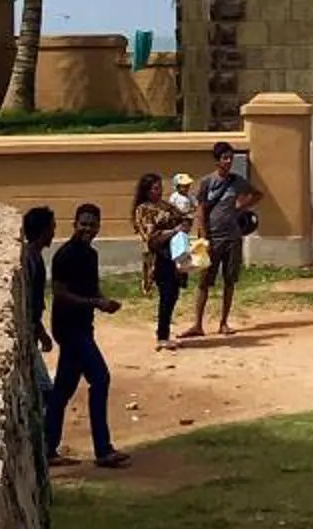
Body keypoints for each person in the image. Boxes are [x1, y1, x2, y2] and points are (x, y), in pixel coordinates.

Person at [46, 202, 132, 469]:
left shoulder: (91, 255)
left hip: (83, 327)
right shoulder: (64, 256)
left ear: (98, 227)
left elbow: (94, 289)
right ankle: (103, 449)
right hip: (69, 329)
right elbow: (60, 293)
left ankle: (47, 448)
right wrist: (94, 303)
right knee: (101, 379)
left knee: (63, 390)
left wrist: (104, 303)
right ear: (74, 224)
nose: (87, 228)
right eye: (83, 223)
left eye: (92, 224)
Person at [184, 140, 262, 338]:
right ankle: (197, 324)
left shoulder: (237, 181)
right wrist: (203, 234)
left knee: (229, 281)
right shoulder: (207, 182)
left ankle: (224, 322)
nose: (228, 161)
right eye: (224, 158)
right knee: (204, 281)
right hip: (212, 238)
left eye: (230, 158)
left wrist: (240, 207)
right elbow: (201, 209)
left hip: (232, 237)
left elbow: (257, 194)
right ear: (217, 161)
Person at [130, 171, 185, 349]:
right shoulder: (143, 210)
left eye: (160, 187)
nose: (159, 191)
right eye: (155, 188)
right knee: (166, 294)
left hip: (174, 254)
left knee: (174, 294)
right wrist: (173, 231)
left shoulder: (166, 206)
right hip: (159, 257)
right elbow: (151, 238)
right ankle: (162, 335)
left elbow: (182, 218)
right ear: (147, 191)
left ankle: (165, 331)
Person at [19, 204, 58, 396]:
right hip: (29, 329)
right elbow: (31, 303)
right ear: (44, 231)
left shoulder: (33, 256)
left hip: (32, 329)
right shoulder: (31, 260)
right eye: (52, 227)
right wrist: (40, 332)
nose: (54, 232)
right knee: (45, 389)